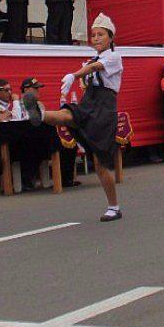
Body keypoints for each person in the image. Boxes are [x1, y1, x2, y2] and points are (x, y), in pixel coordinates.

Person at [21, 13, 125, 221]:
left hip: (104, 107)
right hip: (90, 100)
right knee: (68, 114)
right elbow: (89, 75)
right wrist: (73, 84)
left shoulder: (114, 56)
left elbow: (96, 68)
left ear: (111, 38)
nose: (96, 38)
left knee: (100, 163)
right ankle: (39, 114)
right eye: (93, 35)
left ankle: (114, 206)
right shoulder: (90, 59)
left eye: (101, 34)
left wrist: (75, 74)